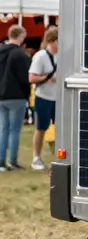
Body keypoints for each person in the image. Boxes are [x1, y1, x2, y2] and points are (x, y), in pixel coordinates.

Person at [0, 25, 32, 171]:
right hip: (17, 95)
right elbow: (25, 77)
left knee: (3, 129)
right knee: (14, 130)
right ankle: (13, 160)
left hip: (1, 95)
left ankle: (1, 162)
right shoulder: (19, 54)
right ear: (21, 36)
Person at [29, 26, 58, 171]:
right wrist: (48, 77)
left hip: (58, 98)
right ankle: (36, 157)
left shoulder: (62, 56)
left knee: (62, 128)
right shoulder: (40, 56)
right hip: (43, 97)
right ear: (53, 41)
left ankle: (60, 157)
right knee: (41, 128)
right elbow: (32, 77)